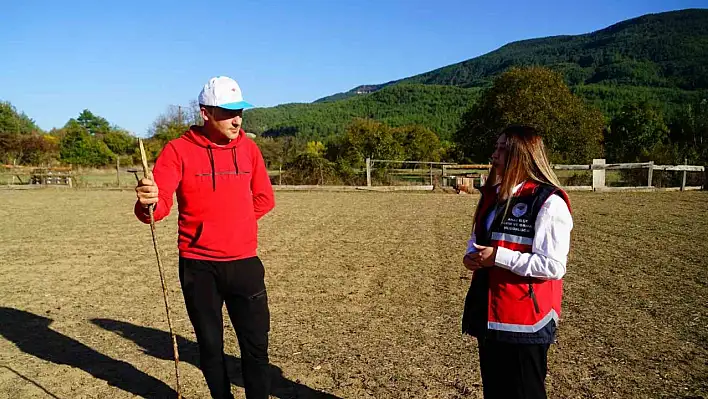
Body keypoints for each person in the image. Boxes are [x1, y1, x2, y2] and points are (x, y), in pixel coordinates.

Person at [134, 76, 275, 399]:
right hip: (198, 268)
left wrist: (233, 224)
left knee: (256, 349)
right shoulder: (177, 150)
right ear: (205, 112)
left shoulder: (250, 149)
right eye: (227, 111)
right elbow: (159, 206)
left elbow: (265, 198)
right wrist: (148, 201)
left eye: (240, 110)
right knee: (210, 347)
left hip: (244, 265)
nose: (237, 119)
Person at [461, 125, 573, 399]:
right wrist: (471, 257)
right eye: (496, 147)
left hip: (525, 321)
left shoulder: (548, 201)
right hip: (489, 315)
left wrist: (497, 257)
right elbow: (478, 239)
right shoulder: (492, 195)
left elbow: (553, 265)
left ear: (522, 155)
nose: (494, 154)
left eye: (503, 148)